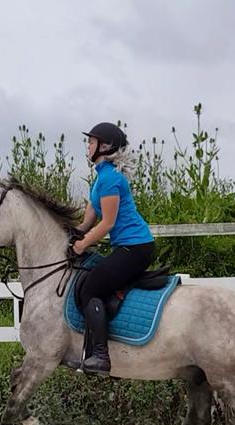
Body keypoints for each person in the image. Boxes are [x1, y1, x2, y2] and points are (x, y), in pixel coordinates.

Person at [71, 122, 155, 375]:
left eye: (91, 142)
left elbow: (107, 223)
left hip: (136, 248)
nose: (88, 146)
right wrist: (71, 236)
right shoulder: (99, 180)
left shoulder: (109, 180)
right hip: (127, 247)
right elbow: (87, 222)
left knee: (89, 289)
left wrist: (83, 244)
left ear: (104, 147)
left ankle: (101, 357)